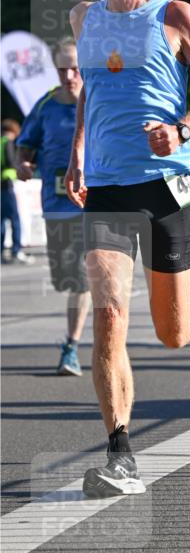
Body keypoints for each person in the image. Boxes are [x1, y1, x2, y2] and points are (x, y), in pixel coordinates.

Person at [66, 0, 190, 498]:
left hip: (166, 182)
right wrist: (77, 151)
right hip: (107, 184)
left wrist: (183, 129)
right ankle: (121, 455)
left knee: (166, 328)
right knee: (108, 316)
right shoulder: (83, 18)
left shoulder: (176, 16)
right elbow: (89, 92)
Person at [16, 38, 91, 375]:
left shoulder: (100, 102)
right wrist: (23, 165)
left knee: (82, 278)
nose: (69, 75)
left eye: (75, 68)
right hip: (56, 204)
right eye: (62, 69)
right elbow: (24, 146)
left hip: (95, 206)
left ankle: (71, 347)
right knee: (65, 278)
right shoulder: (46, 105)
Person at [1, 119, 32, 265]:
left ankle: (1, 251)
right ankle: (16, 250)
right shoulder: (7, 142)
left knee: (1, 221)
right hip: (6, 184)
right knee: (14, 219)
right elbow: (10, 160)